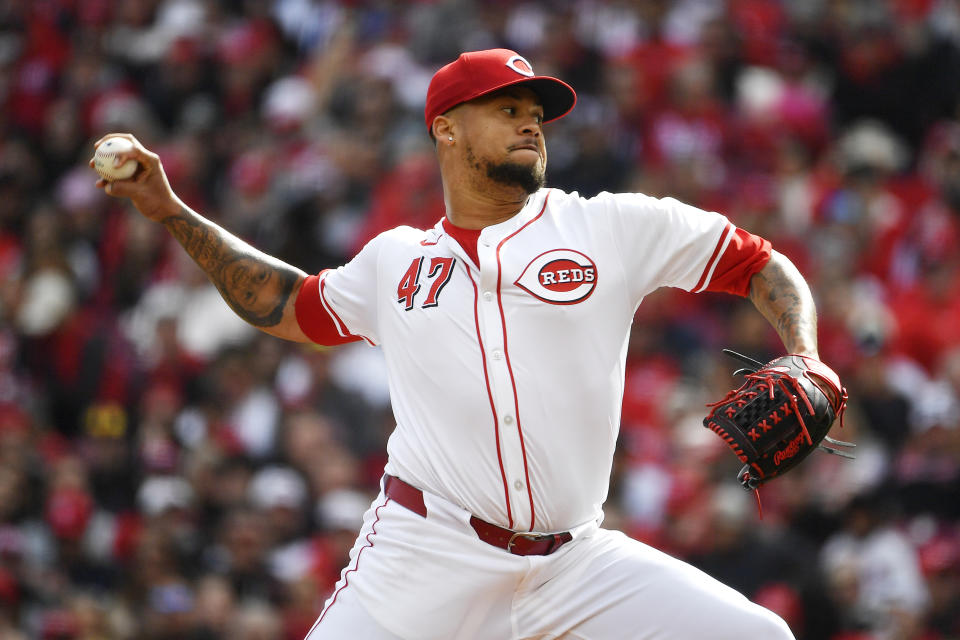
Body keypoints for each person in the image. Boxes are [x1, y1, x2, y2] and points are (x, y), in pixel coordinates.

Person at [92, 48, 827, 639]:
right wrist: (170, 210)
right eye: (507, 110)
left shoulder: (609, 227)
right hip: (428, 552)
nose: (530, 124)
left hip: (575, 562)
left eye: (535, 114)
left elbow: (760, 263)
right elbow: (287, 303)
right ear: (446, 127)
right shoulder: (395, 261)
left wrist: (805, 352)